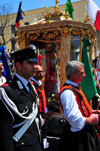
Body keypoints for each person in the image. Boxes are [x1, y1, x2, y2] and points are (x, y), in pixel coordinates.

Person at [0, 45, 44, 151]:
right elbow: (4, 131)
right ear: (18, 65)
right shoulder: (8, 91)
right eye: (30, 63)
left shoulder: (32, 87)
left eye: (35, 63)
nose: (34, 66)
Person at [59, 60, 100, 151]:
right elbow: (72, 116)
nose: (84, 75)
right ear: (73, 74)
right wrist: (90, 120)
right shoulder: (68, 92)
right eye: (82, 73)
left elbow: (79, 108)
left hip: (83, 132)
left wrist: (90, 111)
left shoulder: (75, 88)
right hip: (77, 136)